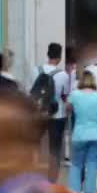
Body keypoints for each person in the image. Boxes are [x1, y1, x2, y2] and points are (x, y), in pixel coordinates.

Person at [35, 43, 71, 181]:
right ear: (60, 57)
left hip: (38, 114)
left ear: (47, 54)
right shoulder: (63, 75)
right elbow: (65, 95)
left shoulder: (36, 70)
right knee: (54, 148)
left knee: (36, 145)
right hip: (57, 114)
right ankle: (52, 179)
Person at [67, 71, 97, 193]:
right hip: (96, 133)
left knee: (77, 164)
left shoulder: (74, 95)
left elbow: (68, 109)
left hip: (79, 133)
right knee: (92, 164)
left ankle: (74, 191)